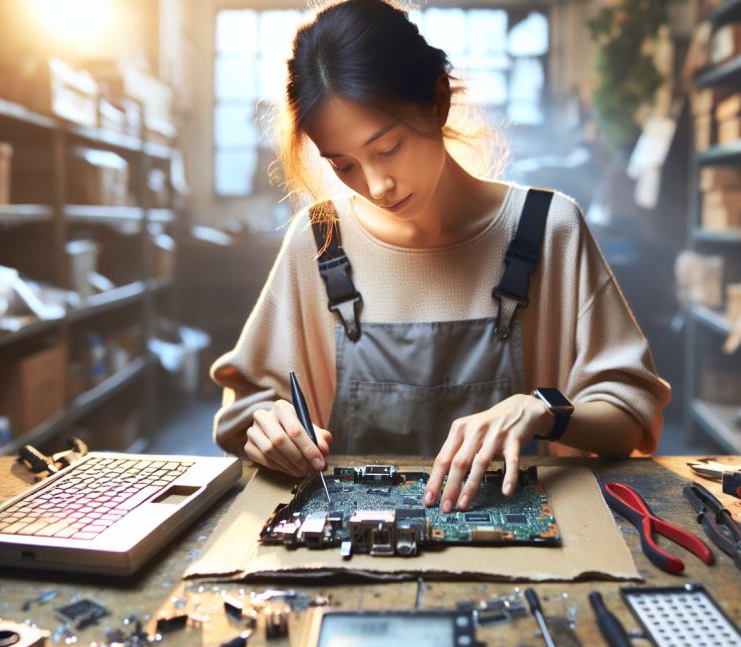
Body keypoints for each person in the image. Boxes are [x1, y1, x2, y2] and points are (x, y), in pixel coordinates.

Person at [210, 0, 671, 515]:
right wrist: (269, 426)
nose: (377, 185)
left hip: (523, 547)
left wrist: (542, 409)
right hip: (355, 550)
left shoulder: (549, 229)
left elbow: (630, 421)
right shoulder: (319, 239)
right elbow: (244, 412)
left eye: (387, 148)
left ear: (437, 101)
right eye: (344, 165)